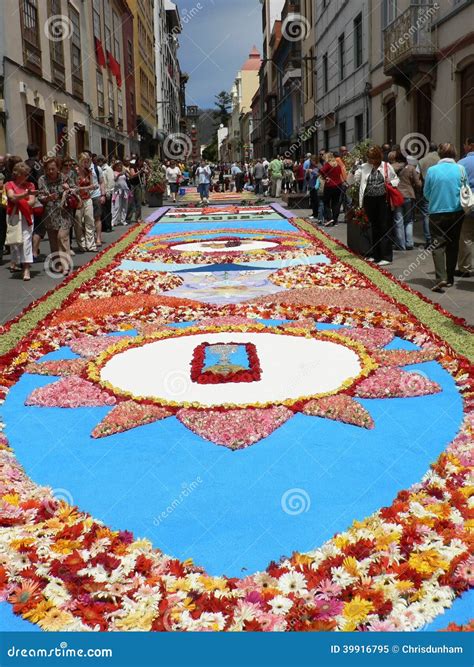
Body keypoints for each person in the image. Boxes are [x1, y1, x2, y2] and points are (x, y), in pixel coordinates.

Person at [424, 143, 466, 292]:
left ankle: (441, 277)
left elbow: (426, 193)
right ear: (454, 153)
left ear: (440, 154)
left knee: (438, 245)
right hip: (456, 211)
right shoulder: (460, 169)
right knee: (453, 244)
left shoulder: (432, 170)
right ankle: (449, 279)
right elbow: (464, 189)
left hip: (437, 212)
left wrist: (436, 198)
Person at [349, 145, 399, 266]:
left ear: (378, 157)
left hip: (383, 201)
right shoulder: (364, 167)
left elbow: (396, 179)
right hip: (369, 200)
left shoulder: (386, 166)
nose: (370, 161)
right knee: (373, 228)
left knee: (384, 227)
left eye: (373, 158)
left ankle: (386, 256)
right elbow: (351, 181)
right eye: (369, 158)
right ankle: (375, 255)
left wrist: (391, 183)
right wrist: (353, 169)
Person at [37, 157, 74, 275]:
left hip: (64, 212)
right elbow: (40, 196)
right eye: (48, 169)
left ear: (58, 168)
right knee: (53, 241)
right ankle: (57, 263)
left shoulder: (65, 178)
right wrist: (47, 198)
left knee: (61, 237)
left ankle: (65, 264)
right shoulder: (42, 179)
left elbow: (75, 190)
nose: (50, 171)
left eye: (53, 169)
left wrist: (68, 189)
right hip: (50, 213)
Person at [5, 161, 35, 280]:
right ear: (17, 174)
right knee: (16, 242)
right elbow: (11, 197)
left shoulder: (31, 185)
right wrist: (24, 196)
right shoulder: (9, 184)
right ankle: (16, 261)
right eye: (24, 174)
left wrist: (20, 200)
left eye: (27, 174)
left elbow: (32, 202)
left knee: (27, 241)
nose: (27, 176)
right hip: (14, 215)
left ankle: (26, 268)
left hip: (26, 214)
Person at [390, 149, 422, 251]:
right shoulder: (411, 168)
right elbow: (418, 184)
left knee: (398, 220)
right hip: (409, 195)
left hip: (396, 196)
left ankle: (400, 244)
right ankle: (409, 243)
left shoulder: (392, 167)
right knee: (409, 220)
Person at [456, 137, 474, 277]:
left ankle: (466, 268)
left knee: (466, 236)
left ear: (471, 146)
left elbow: (457, 185)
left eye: (465, 144)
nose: (464, 146)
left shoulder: (462, 163)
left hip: (469, 203)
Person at [417, 142, 439, 248]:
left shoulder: (422, 161)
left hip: (427, 189)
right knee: (439, 213)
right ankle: (438, 237)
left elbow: (417, 177)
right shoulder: (441, 160)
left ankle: (429, 239)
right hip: (440, 189)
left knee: (426, 214)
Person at [24, 144, 44, 261]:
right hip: (35, 197)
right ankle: (34, 252)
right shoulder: (37, 164)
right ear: (37, 152)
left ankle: (28, 252)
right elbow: (41, 181)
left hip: (25, 197)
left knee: (28, 225)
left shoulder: (24, 164)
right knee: (38, 225)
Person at [74, 153, 97, 252]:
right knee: (78, 222)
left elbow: (92, 185)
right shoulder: (75, 172)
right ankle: (82, 243)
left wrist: (88, 187)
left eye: (88, 161)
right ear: (80, 161)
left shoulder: (89, 172)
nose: (86, 163)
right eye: (84, 161)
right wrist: (88, 187)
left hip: (87, 198)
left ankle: (91, 245)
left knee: (90, 221)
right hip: (78, 199)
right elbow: (75, 188)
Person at [319, 152, 344, 226]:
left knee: (326, 203)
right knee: (336, 203)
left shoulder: (327, 164)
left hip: (329, 186)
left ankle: (329, 218)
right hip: (338, 185)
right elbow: (340, 173)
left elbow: (321, 171)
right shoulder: (337, 165)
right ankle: (335, 220)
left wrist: (325, 177)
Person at [89, 155, 105, 246]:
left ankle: (98, 238)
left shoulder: (96, 168)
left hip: (96, 195)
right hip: (85, 197)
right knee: (87, 219)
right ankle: (90, 239)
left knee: (97, 218)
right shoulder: (80, 169)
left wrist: (103, 195)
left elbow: (101, 182)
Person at [97, 155, 114, 232]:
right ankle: (103, 225)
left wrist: (109, 191)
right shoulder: (100, 169)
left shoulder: (108, 169)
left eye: (99, 161)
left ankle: (108, 226)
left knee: (107, 210)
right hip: (101, 192)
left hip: (107, 191)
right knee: (102, 210)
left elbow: (110, 181)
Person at [111, 161, 130, 227]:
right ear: (115, 166)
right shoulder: (113, 173)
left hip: (124, 190)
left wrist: (127, 173)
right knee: (117, 206)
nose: (120, 167)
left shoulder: (123, 173)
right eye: (118, 166)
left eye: (120, 166)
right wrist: (119, 175)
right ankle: (114, 221)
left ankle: (123, 220)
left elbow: (129, 178)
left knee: (124, 206)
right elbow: (114, 180)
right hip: (117, 191)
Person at [307, 157, 321, 222]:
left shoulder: (318, 167)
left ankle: (316, 213)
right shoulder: (311, 167)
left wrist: (312, 171)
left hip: (316, 186)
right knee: (312, 200)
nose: (311, 162)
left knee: (316, 200)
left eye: (312, 161)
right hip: (311, 185)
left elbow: (318, 175)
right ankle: (314, 212)